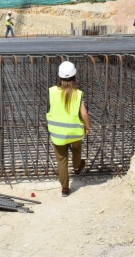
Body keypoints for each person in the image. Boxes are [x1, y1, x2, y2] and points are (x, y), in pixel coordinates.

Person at [46, 61, 90, 197]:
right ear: (74, 77)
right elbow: (84, 114)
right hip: (75, 132)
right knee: (77, 150)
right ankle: (77, 167)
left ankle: (65, 189)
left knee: (62, 160)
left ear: (59, 77)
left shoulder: (52, 91)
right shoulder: (78, 93)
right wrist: (87, 127)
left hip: (58, 133)